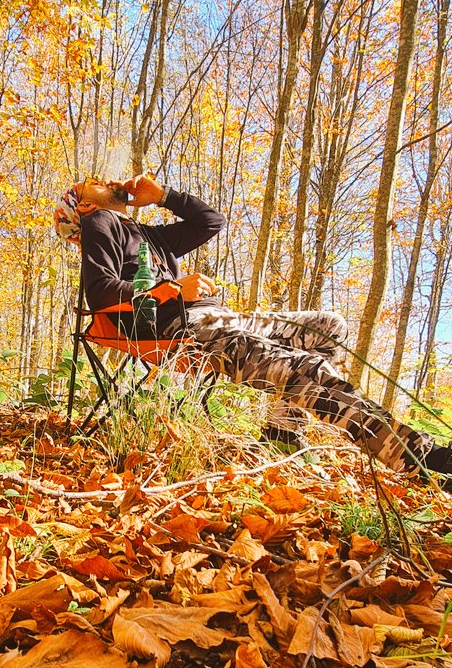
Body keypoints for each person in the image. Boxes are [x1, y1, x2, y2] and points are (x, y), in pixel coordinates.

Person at [54, 173, 452, 487]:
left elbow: (211, 221)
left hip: (220, 318)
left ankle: (282, 432)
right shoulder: (99, 222)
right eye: (95, 182)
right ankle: (420, 456)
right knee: (305, 369)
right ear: (85, 204)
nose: (108, 180)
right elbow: (101, 291)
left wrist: (164, 196)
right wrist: (170, 289)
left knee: (328, 327)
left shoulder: (150, 235)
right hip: (180, 328)